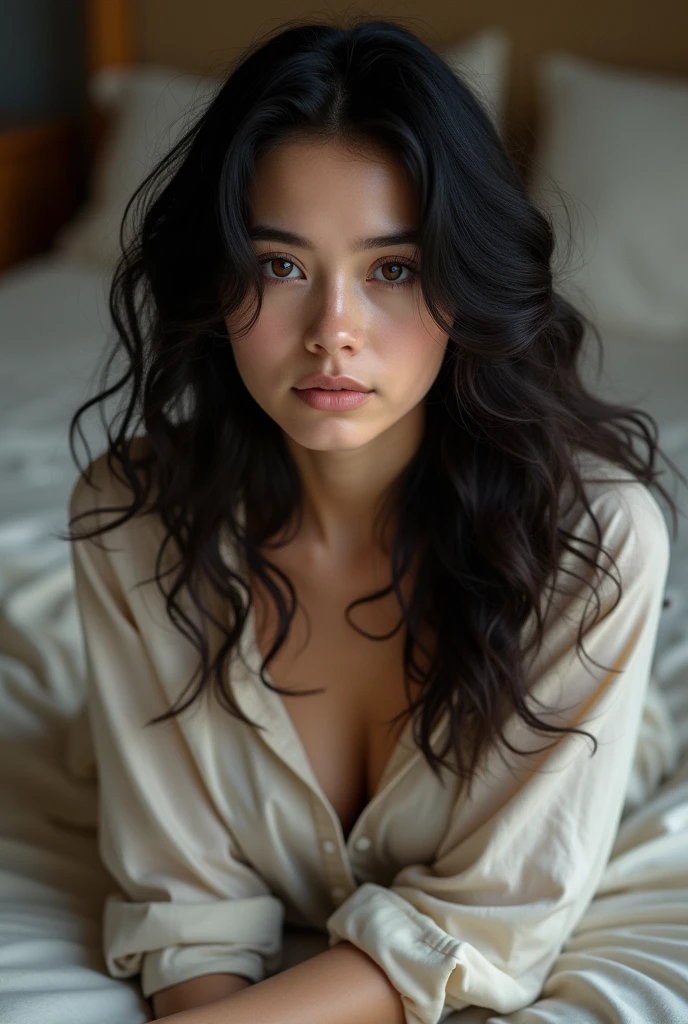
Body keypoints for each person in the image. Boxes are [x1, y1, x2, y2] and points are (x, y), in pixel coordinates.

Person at [64, 15, 684, 1024]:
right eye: (278, 265)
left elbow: (489, 926)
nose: (331, 335)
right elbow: (186, 914)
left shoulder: (595, 548)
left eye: (392, 269)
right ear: (218, 280)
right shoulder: (133, 525)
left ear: (461, 282)